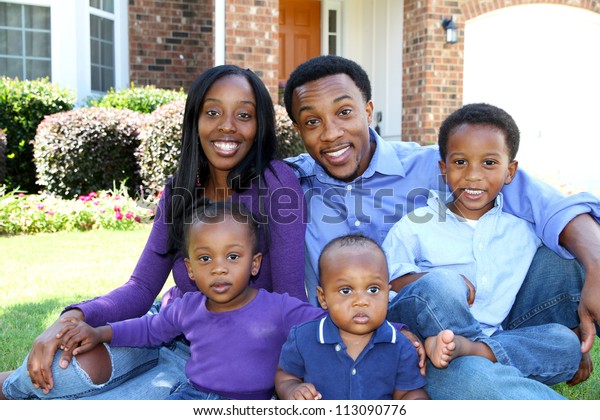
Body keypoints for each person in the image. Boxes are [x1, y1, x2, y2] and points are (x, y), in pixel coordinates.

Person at [283, 54, 600, 399]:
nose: (331, 133)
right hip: (392, 340)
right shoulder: (285, 186)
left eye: (344, 112)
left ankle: (480, 353)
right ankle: (484, 366)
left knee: (569, 262)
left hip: (479, 319)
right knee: (467, 369)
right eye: (312, 122)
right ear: (298, 130)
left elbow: (551, 207)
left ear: (368, 110)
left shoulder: (445, 166)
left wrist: (596, 269)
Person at [1, 64, 308, 400]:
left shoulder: (278, 186)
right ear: (195, 121)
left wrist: (288, 379)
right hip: (160, 327)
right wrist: (74, 316)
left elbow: (292, 297)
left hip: (222, 359)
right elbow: (143, 286)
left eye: (244, 115)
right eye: (213, 112)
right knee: (57, 373)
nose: (227, 126)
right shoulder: (181, 189)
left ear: (259, 125)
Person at [381, 103, 581, 385]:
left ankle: (474, 352)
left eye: (489, 163)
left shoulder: (522, 231)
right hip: (429, 331)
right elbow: (388, 282)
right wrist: (440, 280)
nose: (473, 175)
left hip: (494, 336)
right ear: (444, 168)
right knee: (443, 284)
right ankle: (477, 360)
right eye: (460, 162)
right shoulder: (417, 224)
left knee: (565, 342)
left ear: (510, 171)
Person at [55, 201, 326, 400]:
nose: (218, 268)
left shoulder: (278, 308)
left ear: (254, 264)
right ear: (191, 269)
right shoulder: (188, 307)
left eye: (232, 257)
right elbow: (149, 329)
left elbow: (325, 324)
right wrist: (100, 332)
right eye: (206, 258)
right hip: (193, 398)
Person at [275, 234, 429, 400]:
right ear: (323, 297)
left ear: (387, 293)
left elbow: (407, 392)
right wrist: (292, 389)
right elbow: (286, 376)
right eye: (346, 291)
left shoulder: (399, 345)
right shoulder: (303, 338)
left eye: (373, 289)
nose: (361, 301)